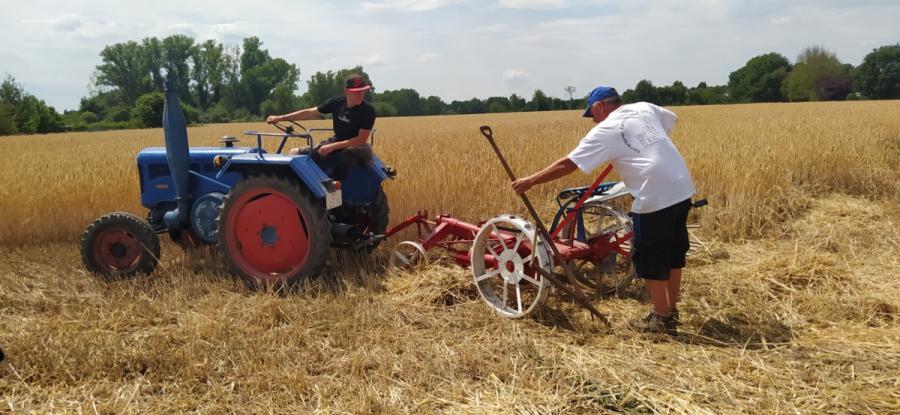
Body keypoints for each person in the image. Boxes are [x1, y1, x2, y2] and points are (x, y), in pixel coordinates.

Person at [511, 86, 695, 335]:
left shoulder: (605, 129)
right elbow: (671, 119)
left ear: (600, 106)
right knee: (673, 253)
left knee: (650, 258)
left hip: (654, 193)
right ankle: (670, 311)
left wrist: (531, 180)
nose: (593, 120)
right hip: (682, 185)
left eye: (592, 114)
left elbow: (569, 164)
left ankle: (661, 319)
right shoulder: (643, 107)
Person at [266, 74, 376, 180]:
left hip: (355, 148)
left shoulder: (368, 110)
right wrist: (281, 118)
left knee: (329, 160)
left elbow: (360, 140)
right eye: (356, 92)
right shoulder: (336, 102)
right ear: (347, 91)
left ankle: (326, 189)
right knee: (295, 153)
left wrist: (332, 147)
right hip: (336, 142)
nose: (361, 95)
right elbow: (310, 112)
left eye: (362, 91)